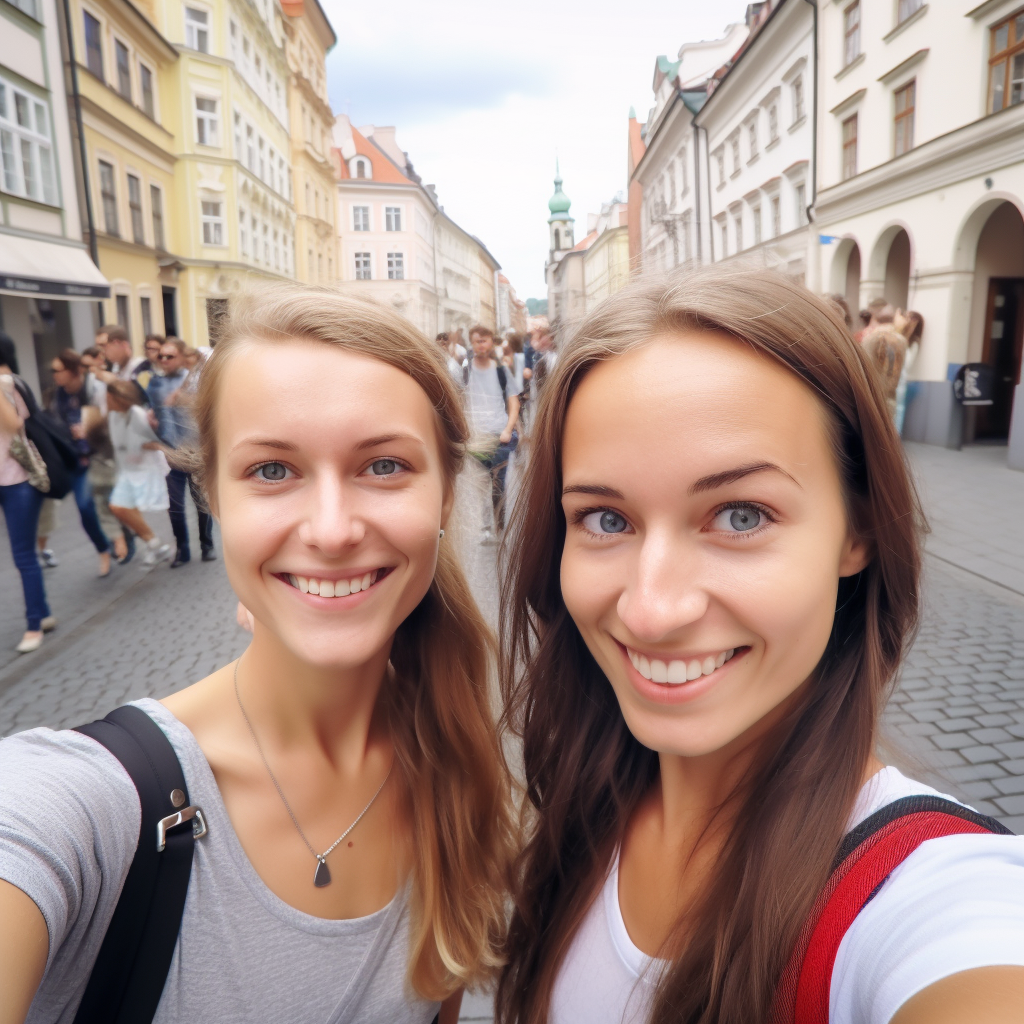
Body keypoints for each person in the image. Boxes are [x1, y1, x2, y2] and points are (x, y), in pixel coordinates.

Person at [496, 267, 1024, 1024]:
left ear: (858, 530)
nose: (651, 611)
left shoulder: (930, 900)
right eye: (605, 520)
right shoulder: (588, 798)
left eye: (740, 515)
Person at [0, 333, 54, 654]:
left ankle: (34, 625)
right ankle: (43, 614)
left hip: (18, 479)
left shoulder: (5, 383)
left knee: (24, 556)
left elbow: (11, 424)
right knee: (24, 555)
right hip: (6, 479)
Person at [42, 349, 112, 577]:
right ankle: (104, 549)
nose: (54, 374)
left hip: (97, 456)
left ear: (72, 371)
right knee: (85, 509)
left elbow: (106, 422)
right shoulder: (54, 396)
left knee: (104, 504)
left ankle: (120, 540)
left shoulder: (92, 389)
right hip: (71, 460)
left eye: (57, 370)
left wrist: (87, 429)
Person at [147, 338, 215, 567]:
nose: (164, 361)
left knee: (201, 503)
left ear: (182, 357)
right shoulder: (155, 384)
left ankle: (207, 545)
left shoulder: (195, 378)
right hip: (169, 451)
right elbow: (153, 410)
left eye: (170, 356)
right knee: (174, 506)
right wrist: (151, 420)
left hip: (195, 452)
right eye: (161, 357)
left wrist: (183, 397)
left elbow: (207, 406)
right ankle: (182, 550)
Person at [105, 379, 172, 565]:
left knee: (126, 507)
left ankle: (157, 544)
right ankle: (154, 544)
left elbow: (153, 441)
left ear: (115, 397)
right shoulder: (113, 416)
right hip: (127, 471)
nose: (106, 400)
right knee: (119, 507)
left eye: (108, 397)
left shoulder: (137, 414)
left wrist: (143, 447)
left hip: (145, 470)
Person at [464, 324, 521, 539]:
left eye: (485, 340)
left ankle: (499, 527)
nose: (481, 345)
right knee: (480, 487)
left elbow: (513, 403)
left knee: (499, 486)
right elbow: (456, 401)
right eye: (477, 341)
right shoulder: (464, 370)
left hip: (499, 437)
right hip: (476, 440)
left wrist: (508, 429)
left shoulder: (500, 371)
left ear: (490, 343)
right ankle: (486, 526)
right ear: (472, 343)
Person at [894, 310, 924, 435]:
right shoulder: (895, 336)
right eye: (906, 318)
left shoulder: (914, 342)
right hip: (893, 378)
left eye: (911, 320)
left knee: (898, 410)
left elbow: (906, 363)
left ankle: (895, 438)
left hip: (901, 381)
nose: (907, 322)